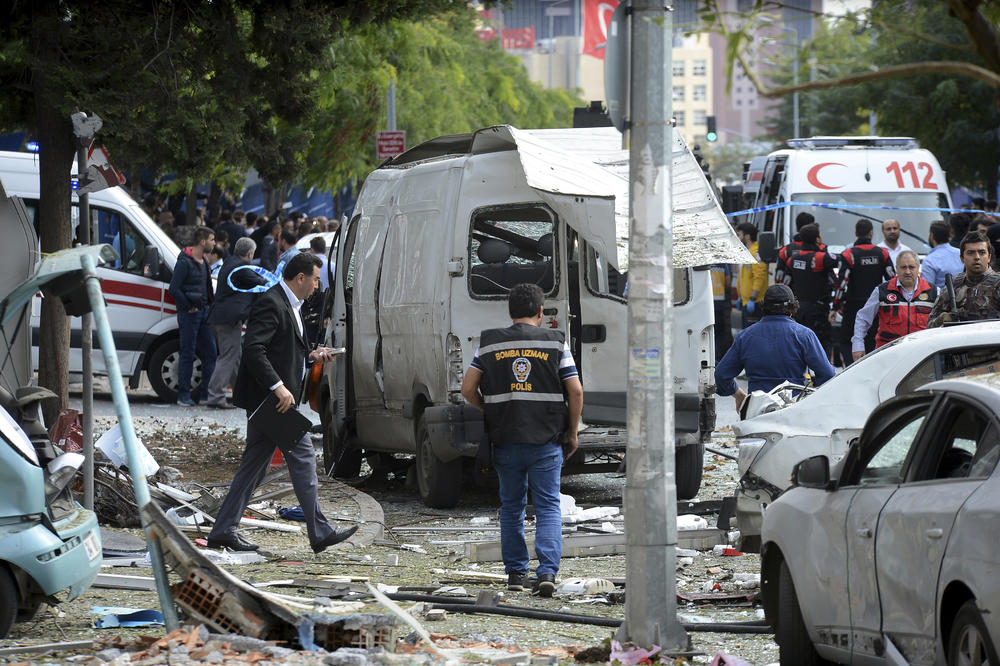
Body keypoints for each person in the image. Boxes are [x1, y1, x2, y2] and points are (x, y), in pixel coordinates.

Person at [207, 253, 358, 553]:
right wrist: (278, 388)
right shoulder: (271, 302)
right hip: (273, 402)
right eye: (315, 279)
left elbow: (282, 347)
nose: (317, 286)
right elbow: (254, 349)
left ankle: (223, 530)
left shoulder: (290, 304)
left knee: (253, 467)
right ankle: (320, 532)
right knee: (303, 457)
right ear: (300, 278)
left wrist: (312, 355)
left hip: (272, 402)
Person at [460, 283, 583, 598]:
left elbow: (467, 389)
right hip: (546, 441)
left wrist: (491, 409)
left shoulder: (489, 344)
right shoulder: (555, 343)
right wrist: (572, 431)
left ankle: (516, 573)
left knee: (512, 506)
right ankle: (546, 573)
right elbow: (576, 390)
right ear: (540, 313)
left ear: (510, 312)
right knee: (547, 506)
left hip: (505, 440)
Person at [715, 284, 835, 412]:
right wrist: (809, 393)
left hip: (757, 410)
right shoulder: (804, 335)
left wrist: (739, 395)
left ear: (764, 307)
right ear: (792, 308)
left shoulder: (745, 336)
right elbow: (828, 374)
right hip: (794, 408)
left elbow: (721, 374)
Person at [204, 237, 266, 409]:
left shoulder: (230, 262)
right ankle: (216, 396)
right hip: (228, 320)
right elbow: (262, 282)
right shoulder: (241, 267)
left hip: (220, 317)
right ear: (250, 253)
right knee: (228, 357)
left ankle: (241, 393)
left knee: (236, 355)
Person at [851, 250, 936, 361]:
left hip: (922, 356)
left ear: (918, 268)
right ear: (896, 268)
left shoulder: (933, 291)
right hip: (888, 356)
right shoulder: (882, 291)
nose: (908, 271)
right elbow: (863, 318)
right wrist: (858, 345)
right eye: (903, 267)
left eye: (911, 267)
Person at [831, 219, 894, 364]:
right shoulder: (882, 253)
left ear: (855, 233)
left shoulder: (848, 254)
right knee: (873, 339)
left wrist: (834, 307)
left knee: (848, 340)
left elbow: (841, 284)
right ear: (871, 233)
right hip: (876, 304)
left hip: (853, 304)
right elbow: (892, 280)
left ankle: (851, 369)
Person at [168, 227, 218, 406]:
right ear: (202, 242)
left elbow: (207, 288)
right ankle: (183, 396)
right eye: (212, 240)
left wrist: (210, 306)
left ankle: (206, 395)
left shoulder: (204, 260)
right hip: (189, 315)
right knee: (187, 353)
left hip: (204, 313)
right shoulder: (185, 262)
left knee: (210, 352)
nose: (214, 244)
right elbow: (173, 288)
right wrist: (188, 306)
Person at [775, 223, 836, 356]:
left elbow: (785, 283)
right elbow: (838, 270)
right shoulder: (821, 258)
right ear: (817, 239)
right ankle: (819, 374)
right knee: (820, 345)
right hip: (818, 310)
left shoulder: (792, 259)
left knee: (798, 343)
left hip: (798, 309)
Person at [927, 231, 1000, 327]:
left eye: (982, 252)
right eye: (971, 253)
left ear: (989, 257)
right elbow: (930, 325)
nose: (977, 257)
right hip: (960, 340)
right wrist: (943, 318)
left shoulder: (998, 284)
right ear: (962, 258)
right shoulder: (953, 285)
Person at [735, 222, 767, 327]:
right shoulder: (748, 253)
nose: (738, 238)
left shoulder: (755, 253)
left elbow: (759, 277)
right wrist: (741, 297)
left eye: (739, 235)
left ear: (747, 236)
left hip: (755, 303)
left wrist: (752, 299)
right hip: (747, 302)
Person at [921, 221, 964, 289]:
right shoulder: (961, 253)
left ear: (932, 236)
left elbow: (927, 289)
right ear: (949, 236)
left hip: (941, 298)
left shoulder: (929, 260)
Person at [710, 263, 733, 359]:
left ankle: (711, 355)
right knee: (719, 331)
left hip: (707, 302)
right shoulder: (723, 264)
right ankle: (718, 356)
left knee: (709, 330)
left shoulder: (704, 260)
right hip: (720, 302)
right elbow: (728, 282)